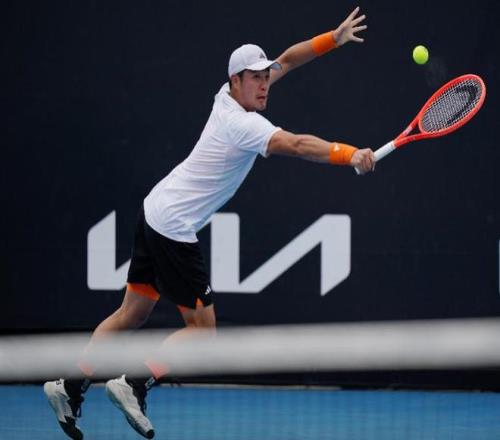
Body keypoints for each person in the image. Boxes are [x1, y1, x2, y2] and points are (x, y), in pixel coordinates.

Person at [44, 6, 374, 439]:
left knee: (131, 313)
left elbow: (288, 60)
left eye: (265, 76)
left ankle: (68, 386)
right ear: (236, 81)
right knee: (203, 332)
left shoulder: (231, 94)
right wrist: (351, 154)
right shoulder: (242, 124)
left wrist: (333, 37)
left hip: (155, 208)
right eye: (255, 78)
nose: (264, 83)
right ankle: (134, 383)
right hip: (173, 226)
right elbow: (295, 144)